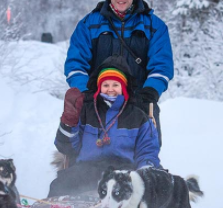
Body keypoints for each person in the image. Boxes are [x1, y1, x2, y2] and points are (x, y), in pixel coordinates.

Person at [62, 0, 174, 142]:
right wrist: (86, 93)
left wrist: (150, 92)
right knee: (87, 153)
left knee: (144, 151)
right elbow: (75, 63)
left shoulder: (155, 26)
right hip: (97, 98)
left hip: (140, 100)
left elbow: (162, 65)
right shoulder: (89, 24)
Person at [50, 57, 160, 199]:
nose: (110, 90)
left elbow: (147, 151)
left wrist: (146, 173)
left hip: (123, 172)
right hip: (86, 169)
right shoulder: (86, 111)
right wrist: (68, 122)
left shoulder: (138, 117)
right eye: (106, 85)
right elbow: (67, 147)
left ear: (123, 87)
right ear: (99, 87)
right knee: (58, 186)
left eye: (115, 85)